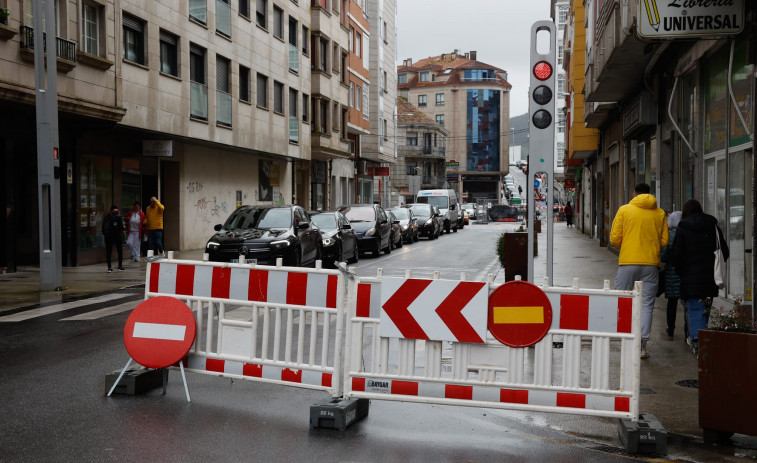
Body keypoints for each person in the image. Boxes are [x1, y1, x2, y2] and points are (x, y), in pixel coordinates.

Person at [610, 183, 668, 359]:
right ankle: (642, 346)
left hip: (628, 263)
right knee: (647, 304)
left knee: (622, 300)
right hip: (651, 264)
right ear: (650, 194)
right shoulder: (660, 213)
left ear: (634, 194)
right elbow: (665, 241)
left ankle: (624, 339)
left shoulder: (624, 210)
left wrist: (628, 244)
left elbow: (614, 239)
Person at [670, 199, 729, 354]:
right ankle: (699, 336)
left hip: (690, 278)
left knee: (695, 308)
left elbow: (676, 255)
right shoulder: (713, 227)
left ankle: (698, 341)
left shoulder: (682, 228)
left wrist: (681, 270)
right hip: (710, 278)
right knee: (704, 308)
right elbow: (725, 251)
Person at [660, 211, 682, 338]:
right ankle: (687, 331)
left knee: (672, 303)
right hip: (684, 272)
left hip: (671, 272)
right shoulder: (685, 233)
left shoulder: (669, 235)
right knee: (686, 303)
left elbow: (664, 254)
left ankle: (671, 328)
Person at [102, 205, 125, 273]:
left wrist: (106, 234)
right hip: (117, 236)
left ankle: (109, 267)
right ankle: (120, 266)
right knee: (119, 251)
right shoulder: (119, 217)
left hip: (108, 237)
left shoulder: (107, 217)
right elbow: (122, 227)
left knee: (109, 252)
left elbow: (104, 228)